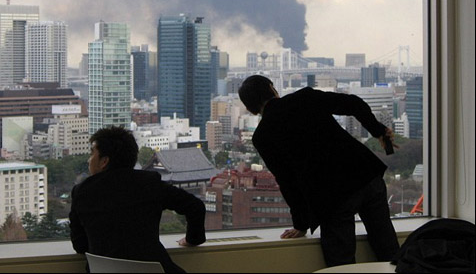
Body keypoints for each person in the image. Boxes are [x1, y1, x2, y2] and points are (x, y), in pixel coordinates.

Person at [238, 75, 400, 267]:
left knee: (342, 264)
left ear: (250, 108)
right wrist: (378, 130)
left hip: (332, 195)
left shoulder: (263, 136)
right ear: (273, 89)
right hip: (365, 173)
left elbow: (287, 182)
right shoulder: (305, 97)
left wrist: (300, 224)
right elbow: (354, 103)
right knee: (388, 248)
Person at [69, 126, 206, 273]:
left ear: (104, 161)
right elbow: (195, 206)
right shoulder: (149, 184)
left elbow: (80, 246)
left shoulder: (82, 192)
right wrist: (193, 239)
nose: (89, 160)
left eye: (92, 154)